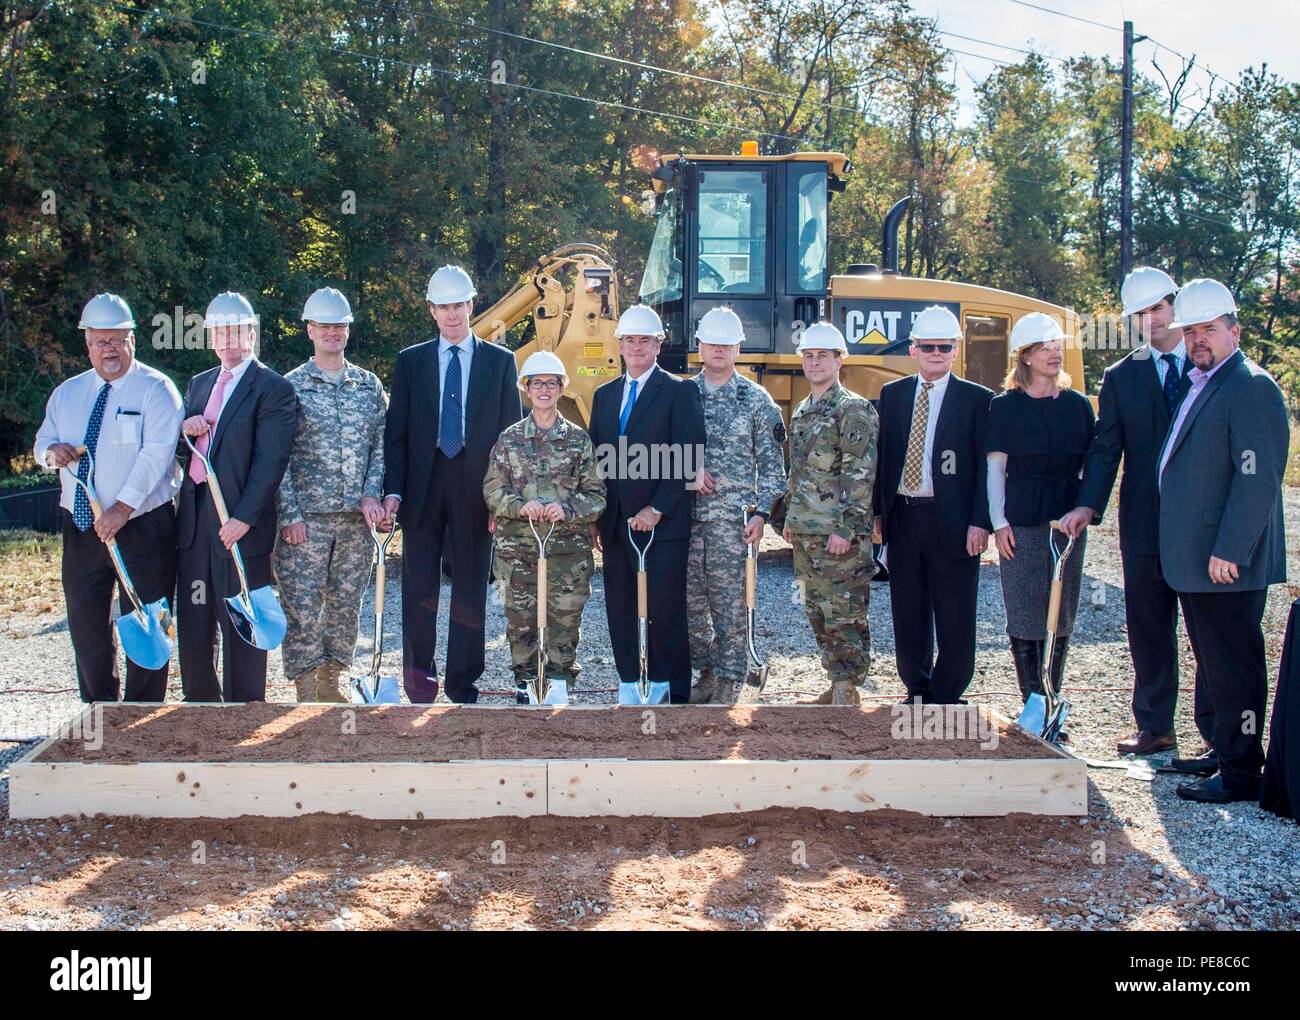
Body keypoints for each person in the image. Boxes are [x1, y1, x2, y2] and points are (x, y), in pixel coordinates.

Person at [1059, 267, 1205, 758]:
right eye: (1140, 314)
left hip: (1200, 523)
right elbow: (1107, 449)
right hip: (1143, 523)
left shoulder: (1211, 365)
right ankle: (1155, 726)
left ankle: (1219, 737)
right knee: (1147, 626)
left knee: (1207, 630)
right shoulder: (1122, 377)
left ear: (1175, 304)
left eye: (1158, 309)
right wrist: (1086, 503)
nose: (1151, 320)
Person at [1155, 279, 1289, 804]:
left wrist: (1231, 549)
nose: (1198, 341)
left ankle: (1240, 772)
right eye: (1191, 332)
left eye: (1209, 330)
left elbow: (1257, 479)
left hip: (1226, 561)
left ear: (1235, 330)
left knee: (1234, 667)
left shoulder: (1250, 386)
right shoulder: (1205, 382)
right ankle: (1221, 747)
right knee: (1212, 662)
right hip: (1199, 559)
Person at [381, 265, 522, 703]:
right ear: (432, 311)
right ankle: (419, 679)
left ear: (471, 304)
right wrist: (393, 491)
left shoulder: (501, 363)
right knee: (418, 586)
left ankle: (463, 682)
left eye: (458, 305)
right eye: (443, 307)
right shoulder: (411, 361)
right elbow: (397, 432)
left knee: (470, 588)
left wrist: (504, 501)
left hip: (478, 490)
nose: (452, 314)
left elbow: (509, 436)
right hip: (422, 488)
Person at [34, 293, 182, 703]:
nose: (109, 350)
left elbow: (157, 454)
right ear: (88, 344)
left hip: (144, 526)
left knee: (150, 618)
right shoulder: (67, 394)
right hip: (83, 527)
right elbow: (43, 441)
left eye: (117, 340)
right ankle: (100, 710)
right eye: (100, 341)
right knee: (86, 623)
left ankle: (143, 711)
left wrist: (121, 508)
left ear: (133, 339)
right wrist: (51, 453)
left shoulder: (157, 390)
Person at [177, 292, 296, 702]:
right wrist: (186, 429)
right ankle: (200, 708)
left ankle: (244, 710)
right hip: (194, 521)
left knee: (241, 618)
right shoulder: (199, 384)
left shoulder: (272, 388)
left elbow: (271, 459)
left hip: (239, 524)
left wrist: (244, 518)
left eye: (236, 330)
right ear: (210, 336)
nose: (228, 339)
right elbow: (183, 452)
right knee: (195, 617)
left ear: (251, 333)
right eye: (220, 331)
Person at [873, 305, 992, 705]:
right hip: (904, 516)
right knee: (908, 607)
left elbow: (984, 469)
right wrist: (878, 516)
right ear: (914, 349)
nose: (936, 353)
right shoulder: (892, 395)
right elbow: (883, 459)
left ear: (956, 350)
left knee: (955, 607)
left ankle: (949, 691)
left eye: (944, 346)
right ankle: (918, 687)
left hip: (954, 521)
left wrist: (981, 521)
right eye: (928, 346)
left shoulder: (978, 400)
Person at [587, 304, 706, 704]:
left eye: (645, 340)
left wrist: (657, 508)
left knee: (664, 607)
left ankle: (667, 686)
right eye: (630, 340)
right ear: (619, 345)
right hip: (616, 522)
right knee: (620, 604)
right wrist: (596, 516)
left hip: (663, 523)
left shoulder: (678, 390)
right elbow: (598, 460)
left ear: (658, 345)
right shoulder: (604, 395)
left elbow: (689, 455)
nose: (636, 347)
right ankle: (627, 682)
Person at [275, 288, 387, 703]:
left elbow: (380, 445)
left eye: (339, 326)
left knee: (345, 603)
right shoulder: (291, 387)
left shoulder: (368, 385)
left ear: (347, 329)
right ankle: (305, 686)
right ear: (310, 330)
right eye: (324, 326)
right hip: (306, 518)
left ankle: (332, 681)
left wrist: (373, 494)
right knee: (302, 604)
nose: (332, 333)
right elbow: (278, 456)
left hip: (356, 519)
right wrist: (289, 513)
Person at [986, 313, 1095, 713]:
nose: (1054, 354)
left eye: (1056, 347)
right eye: (1044, 348)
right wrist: (998, 523)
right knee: (1025, 610)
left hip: (1066, 525)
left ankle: (1053, 700)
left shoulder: (1078, 405)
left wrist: (1083, 510)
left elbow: (1088, 467)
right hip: (1021, 524)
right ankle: (1032, 702)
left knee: (1060, 612)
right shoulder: (1005, 407)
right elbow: (995, 468)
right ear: (1025, 357)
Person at [483, 351, 605, 701]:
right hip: (517, 550)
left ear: (561, 388)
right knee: (520, 620)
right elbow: (492, 488)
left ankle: (559, 681)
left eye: (552, 383)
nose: (544, 390)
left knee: (564, 622)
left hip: (567, 552)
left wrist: (566, 509)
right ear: (526, 388)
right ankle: (525, 682)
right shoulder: (509, 439)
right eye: (537, 383)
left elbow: (596, 493)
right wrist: (521, 507)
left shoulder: (579, 440)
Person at [686, 307, 787, 704]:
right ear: (699, 346)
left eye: (727, 344)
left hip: (734, 524)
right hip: (688, 521)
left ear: (738, 348)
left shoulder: (756, 400)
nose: (719, 350)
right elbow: (659, 452)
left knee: (731, 607)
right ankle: (706, 671)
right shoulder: (682, 395)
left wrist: (762, 514)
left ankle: (729, 680)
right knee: (691, 608)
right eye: (712, 343)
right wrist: (684, 474)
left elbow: (774, 469)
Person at [782, 322, 878, 706]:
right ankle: (836, 680)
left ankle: (847, 686)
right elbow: (798, 473)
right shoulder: (804, 410)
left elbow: (859, 474)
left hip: (838, 534)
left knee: (844, 611)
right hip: (807, 530)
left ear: (840, 360)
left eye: (823, 355)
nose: (815, 362)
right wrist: (791, 519)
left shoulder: (852, 408)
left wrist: (847, 527)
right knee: (816, 608)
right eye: (808, 355)